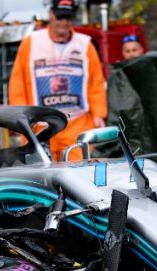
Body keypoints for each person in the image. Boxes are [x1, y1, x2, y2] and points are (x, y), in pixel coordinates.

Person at [8, 0, 107, 161]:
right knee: (39, 177)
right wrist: (20, 118)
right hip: (39, 126)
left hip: (77, 124)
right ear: (51, 15)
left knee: (80, 175)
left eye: (68, 18)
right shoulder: (30, 43)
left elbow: (96, 82)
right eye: (60, 17)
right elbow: (17, 84)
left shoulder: (85, 44)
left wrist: (99, 114)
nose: (64, 22)